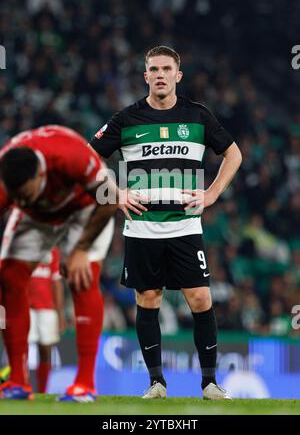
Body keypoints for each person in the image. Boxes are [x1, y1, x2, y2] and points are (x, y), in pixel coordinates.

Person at [90, 46, 242, 400]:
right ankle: (156, 383)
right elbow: (90, 155)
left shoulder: (198, 115)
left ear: (178, 75)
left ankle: (209, 384)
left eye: (166, 69)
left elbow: (233, 153)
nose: (160, 74)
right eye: (153, 69)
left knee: (201, 298)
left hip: (185, 226)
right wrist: (116, 193)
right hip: (142, 227)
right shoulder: (126, 119)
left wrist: (212, 193)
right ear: (145, 76)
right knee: (148, 298)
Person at [0, 125, 116, 401]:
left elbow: (110, 199)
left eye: (25, 194)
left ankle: (85, 385)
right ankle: (17, 381)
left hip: (86, 206)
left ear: (41, 173)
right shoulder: (8, 181)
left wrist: (80, 250)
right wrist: (24, 202)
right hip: (38, 216)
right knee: (9, 277)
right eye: (16, 197)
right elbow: (20, 198)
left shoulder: (69, 155)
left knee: (82, 276)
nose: (20, 200)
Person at [28, 247, 65, 393]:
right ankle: (20, 386)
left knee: (46, 350)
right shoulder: (23, 245)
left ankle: (42, 391)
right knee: (21, 349)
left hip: (47, 307)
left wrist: (60, 313)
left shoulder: (53, 251)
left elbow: (57, 282)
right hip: (25, 305)